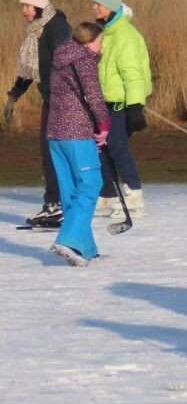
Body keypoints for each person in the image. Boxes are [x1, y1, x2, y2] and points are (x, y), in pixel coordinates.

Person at [6, 0, 72, 227]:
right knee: (48, 152)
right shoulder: (37, 30)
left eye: (27, 6)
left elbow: (67, 64)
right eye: (22, 6)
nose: (23, 11)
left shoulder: (58, 28)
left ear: (39, 6)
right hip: (51, 99)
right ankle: (54, 205)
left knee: (56, 152)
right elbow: (30, 69)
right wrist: (14, 95)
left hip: (64, 101)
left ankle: (60, 205)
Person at [46, 22, 111, 266]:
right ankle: (69, 239)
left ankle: (85, 248)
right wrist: (103, 125)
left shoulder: (61, 57)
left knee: (71, 190)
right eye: (100, 41)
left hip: (55, 134)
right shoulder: (84, 60)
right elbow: (94, 97)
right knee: (91, 183)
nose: (101, 46)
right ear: (89, 41)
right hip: (76, 133)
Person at [90, 0, 152, 219]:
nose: (94, 7)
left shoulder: (125, 35)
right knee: (101, 147)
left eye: (98, 3)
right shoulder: (107, 32)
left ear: (111, 7)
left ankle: (134, 194)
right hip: (106, 102)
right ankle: (108, 194)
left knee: (116, 145)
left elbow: (133, 73)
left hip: (123, 104)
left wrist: (135, 107)